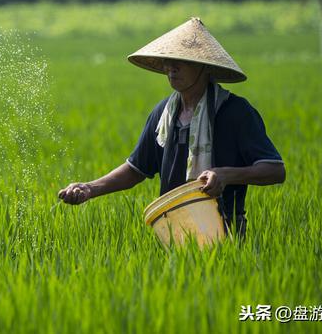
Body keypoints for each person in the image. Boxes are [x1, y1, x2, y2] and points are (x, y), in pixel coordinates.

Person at [57, 17, 285, 237]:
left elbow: (275, 170)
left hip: (227, 232)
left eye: (182, 61)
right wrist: (90, 188)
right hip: (172, 232)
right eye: (168, 60)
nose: (171, 68)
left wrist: (225, 175)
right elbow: (137, 169)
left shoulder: (235, 112)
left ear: (205, 66)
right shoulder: (164, 113)